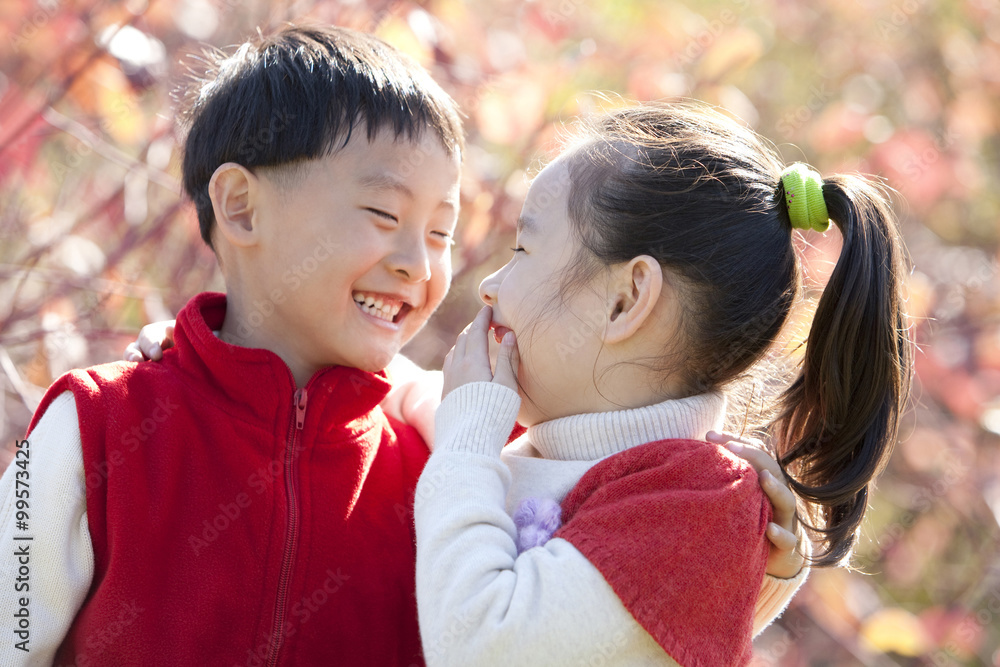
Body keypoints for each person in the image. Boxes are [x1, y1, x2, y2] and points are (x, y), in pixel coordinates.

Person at [0, 24, 465, 666]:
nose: (418, 264)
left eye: (441, 232)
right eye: (384, 215)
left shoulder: (434, 473)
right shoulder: (94, 423)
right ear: (242, 207)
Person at [416, 103, 912, 665]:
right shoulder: (599, 470)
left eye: (523, 250)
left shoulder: (693, 498)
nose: (488, 286)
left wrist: (464, 444)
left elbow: (483, 648)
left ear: (626, 299)